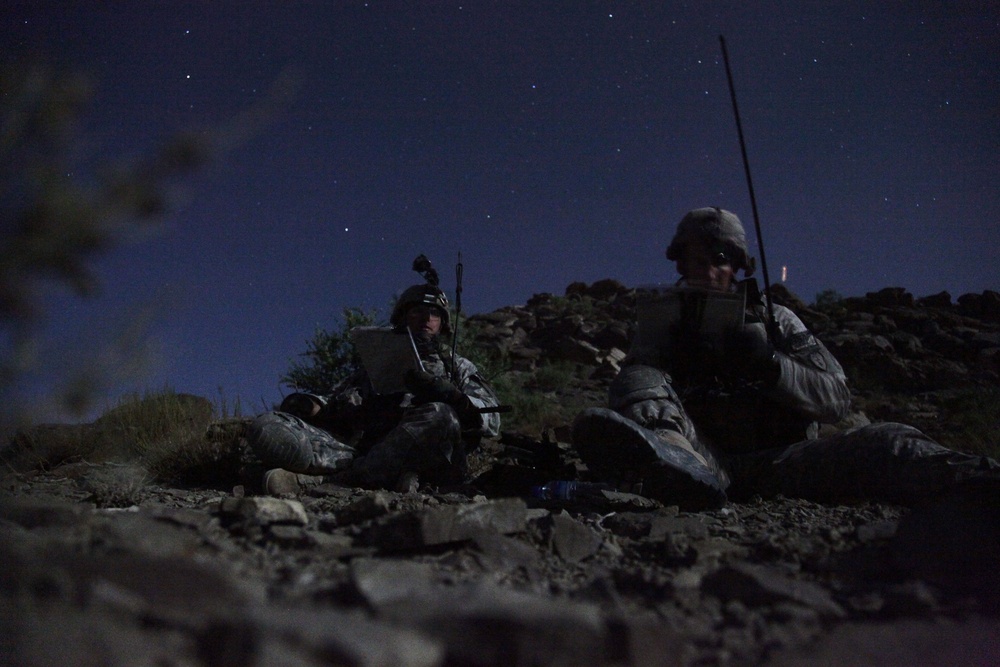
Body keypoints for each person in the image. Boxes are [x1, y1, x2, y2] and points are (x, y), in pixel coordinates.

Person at [572, 206, 998, 510]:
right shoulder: (661, 325)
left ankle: (979, 480)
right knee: (637, 374)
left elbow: (836, 399)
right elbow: (636, 386)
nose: (704, 271)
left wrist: (770, 365)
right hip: (703, 463)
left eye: (718, 259)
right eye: (693, 260)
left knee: (889, 443)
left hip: (785, 463)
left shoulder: (779, 321)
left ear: (737, 266)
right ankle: (670, 468)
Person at [248, 279, 501, 495]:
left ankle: (329, 482)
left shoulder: (457, 366)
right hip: (367, 450)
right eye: (418, 311)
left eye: (434, 313)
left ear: (442, 324)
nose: (427, 318)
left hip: (434, 457)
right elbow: (334, 399)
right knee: (267, 426)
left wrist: (453, 397)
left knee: (440, 415)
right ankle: (375, 473)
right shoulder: (375, 365)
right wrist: (312, 405)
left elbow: (492, 419)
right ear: (402, 317)